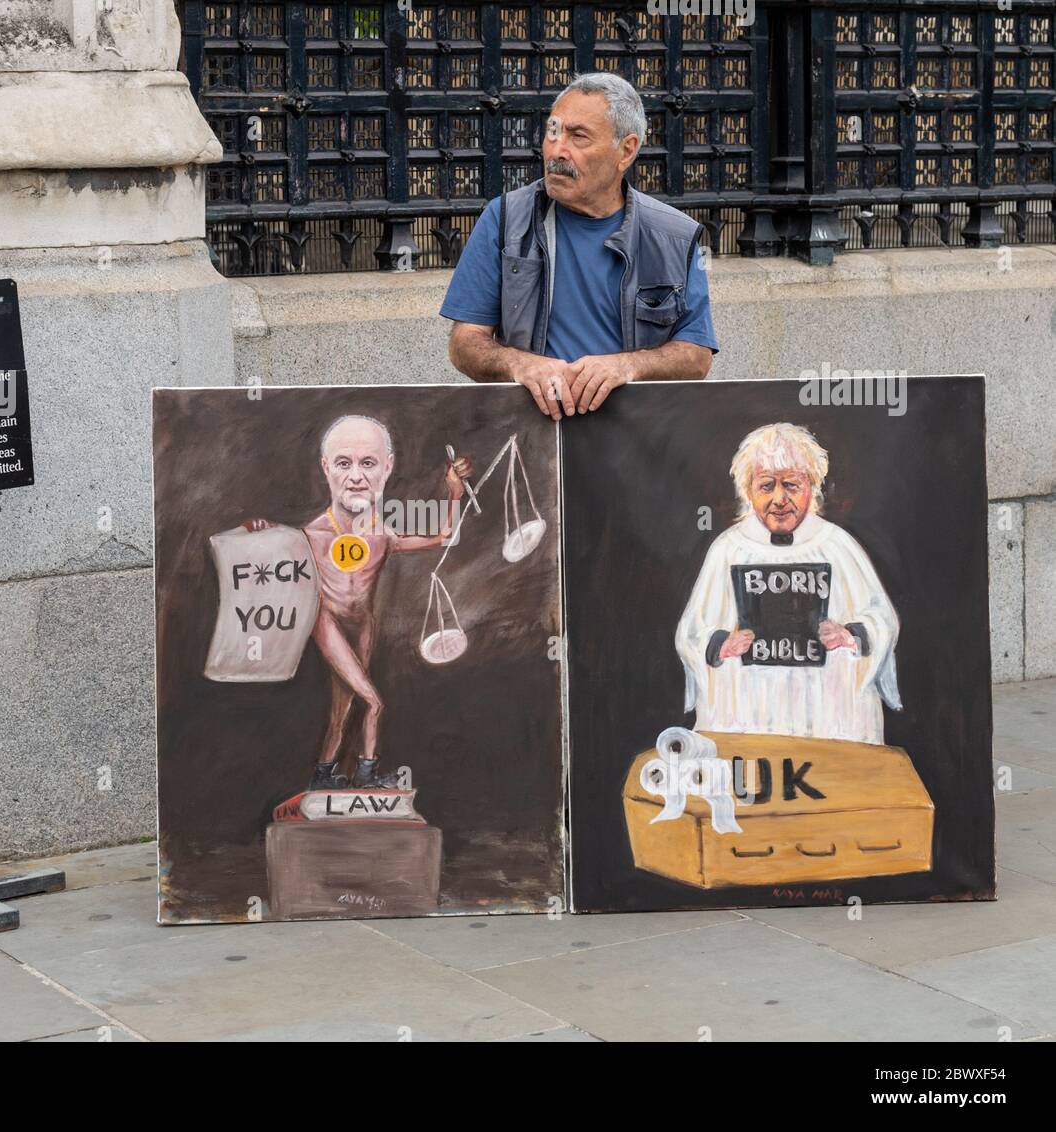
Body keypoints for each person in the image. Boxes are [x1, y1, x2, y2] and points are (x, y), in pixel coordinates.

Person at [441, 71, 717, 420]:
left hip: (635, 440)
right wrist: (520, 364)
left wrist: (625, 367)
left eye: (578, 137)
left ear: (626, 150)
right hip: (534, 432)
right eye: (553, 132)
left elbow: (696, 356)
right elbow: (464, 343)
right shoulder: (506, 219)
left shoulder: (674, 237)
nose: (557, 151)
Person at [247, 415, 472, 789]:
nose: (355, 476)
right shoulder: (312, 534)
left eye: (367, 463)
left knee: (344, 708)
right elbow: (266, 551)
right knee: (373, 702)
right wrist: (255, 531)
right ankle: (367, 774)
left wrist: (454, 493)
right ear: (326, 468)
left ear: (387, 467)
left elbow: (443, 536)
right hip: (328, 621)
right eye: (343, 463)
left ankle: (322, 776)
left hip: (361, 623)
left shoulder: (381, 533)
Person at [675, 423, 901, 746]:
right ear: (748, 489)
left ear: (811, 485)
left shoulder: (838, 547)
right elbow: (691, 632)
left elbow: (883, 620)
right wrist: (722, 644)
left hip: (829, 718)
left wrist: (850, 635)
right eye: (767, 486)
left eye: (791, 485)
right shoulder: (728, 550)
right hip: (749, 718)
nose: (779, 499)